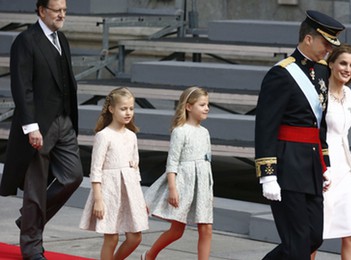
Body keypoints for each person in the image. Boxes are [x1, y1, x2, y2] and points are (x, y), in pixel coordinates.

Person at [255, 10, 345, 260]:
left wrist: (324, 164)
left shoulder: (323, 72)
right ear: (308, 39)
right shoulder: (281, 74)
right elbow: (265, 126)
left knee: (314, 236)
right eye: (325, 43)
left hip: (311, 165)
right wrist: (268, 175)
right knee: (297, 243)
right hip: (287, 164)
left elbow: (320, 124)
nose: (328, 49)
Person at [0, 0, 83, 259]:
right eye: (57, 10)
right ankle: (32, 248)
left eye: (65, 10)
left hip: (64, 122)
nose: (62, 15)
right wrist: (31, 127)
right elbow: (22, 87)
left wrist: (69, 119)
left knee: (74, 176)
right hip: (39, 126)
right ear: (41, 10)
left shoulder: (63, 40)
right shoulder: (26, 41)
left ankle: (29, 219)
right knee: (35, 188)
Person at [311, 44, 351, 260]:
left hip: (345, 170)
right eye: (343, 63)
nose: (348, 69)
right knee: (313, 237)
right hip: (322, 169)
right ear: (331, 64)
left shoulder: (348, 93)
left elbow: (342, 136)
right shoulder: (318, 93)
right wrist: (319, 168)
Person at [143, 86, 213, 260]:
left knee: (206, 229)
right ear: (189, 107)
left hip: (203, 185)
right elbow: (172, 162)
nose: (207, 108)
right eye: (202, 104)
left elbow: (207, 163)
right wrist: (173, 189)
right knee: (177, 231)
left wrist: (209, 190)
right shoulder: (180, 132)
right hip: (183, 184)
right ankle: (150, 255)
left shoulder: (205, 132)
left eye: (207, 104)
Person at [79, 87, 149, 259]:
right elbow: (95, 170)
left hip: (130, 191)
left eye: (131, 108)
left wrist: (140, 199)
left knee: (135, 237)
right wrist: (98, 200)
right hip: (109, 191)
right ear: (112, 109)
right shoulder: (104, 136)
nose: (128, 112)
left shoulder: (132, 136)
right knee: (111, 238)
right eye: (123, 108)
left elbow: (136, 169)